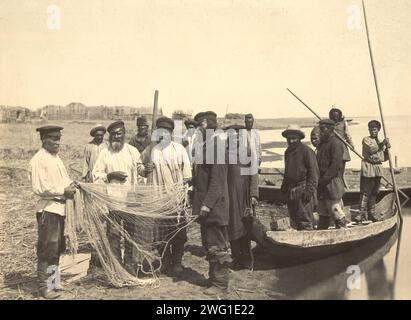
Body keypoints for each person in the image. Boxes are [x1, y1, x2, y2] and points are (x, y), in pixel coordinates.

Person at [28, 125, 77, 299]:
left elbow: (64, 180)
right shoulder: (38, 160)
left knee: (57, 248)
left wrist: (72, 184)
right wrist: (64, 190)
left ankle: (54, 283)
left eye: (59, 139)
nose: (57, 142)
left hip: (60, 209)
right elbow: (41, 188)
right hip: (48, 210)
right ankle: (44, 287)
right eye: (53, 139)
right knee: (47, 249)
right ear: (43, 139)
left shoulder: (56, 158)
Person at [138, 117, 192, 274]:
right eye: (160, 131)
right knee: (161, 234)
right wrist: (145, 169)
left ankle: (176, 263)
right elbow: (139, 166)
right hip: (158, 200)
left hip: (176, 200)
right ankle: (165, 261)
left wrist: (183, 197)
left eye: (167, 131)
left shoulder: (179, 150)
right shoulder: (151, 150)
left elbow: (187, 176)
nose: (163, 134)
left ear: (171, 133)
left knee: (179, 234)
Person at [93, 120, 144, 275]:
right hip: (112, 203)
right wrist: (109, 176)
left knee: (131, 236)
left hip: (131, 201)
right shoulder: (104, 153)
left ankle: (130, 268)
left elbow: (141, 174)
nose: (116, 136)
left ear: (124, 134)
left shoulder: (133, 151)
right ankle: (117, 268)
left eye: (119, 133)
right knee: (114, 235)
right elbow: (95, 175)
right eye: (113, 134)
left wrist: (143, 174)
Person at [191, 111, 231, 296]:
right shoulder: (207, 146)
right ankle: (213, 279)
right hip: (206, 206)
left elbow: (217, 182)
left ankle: (220, 284)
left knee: (217, 245)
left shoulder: (217, 147)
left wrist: (206, 204)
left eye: (201, 125)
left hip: (214, 207)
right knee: (209, 243)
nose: (199, 129)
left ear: (210, 125)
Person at [225, 124, 258, 270]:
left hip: (244, 195)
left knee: (246, 226)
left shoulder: (248, 152)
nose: (235, 138)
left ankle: (247, 260)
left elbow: (254, 175)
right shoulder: (224, 154)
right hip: (230, 196)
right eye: (232, 135)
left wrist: (253, 194)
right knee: (232, 226)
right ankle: (236, 257)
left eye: (238, 135)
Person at [280, 125, 319, 230]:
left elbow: (314, 174)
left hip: (303, 189)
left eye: (294, 138)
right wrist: (283, 190)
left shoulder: (307, 151)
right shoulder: (287, 152)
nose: (291, 141)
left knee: (305, 221)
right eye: (289, 139)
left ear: (299, 138)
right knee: (294, 221)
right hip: (291, 191)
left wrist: (309, 192)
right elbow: (287, 172)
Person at [316, 119, 348, 229]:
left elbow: (335, 164)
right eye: (320, 129)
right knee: (323, 212)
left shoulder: (336, 143)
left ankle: (343, 233)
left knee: (336, 210)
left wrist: (325, 179)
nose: (320, 131)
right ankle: (321, 234)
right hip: (322, 184)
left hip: (332, 183)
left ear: (330, 130)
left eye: (323, 129)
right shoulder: (321, 145)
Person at [356, 120, 390, 222]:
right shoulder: (366, 140)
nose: (372, 131)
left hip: (377, 169)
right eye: (370, 129)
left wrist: (387, 149)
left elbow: (383, 158)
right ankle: (361, 214)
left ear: (378, 130)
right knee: (366, 192)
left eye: (374, 130)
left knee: (374, 192)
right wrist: (382, 144)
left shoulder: (380, 141)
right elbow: (371, 149)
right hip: (368, 168)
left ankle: (371, 213)